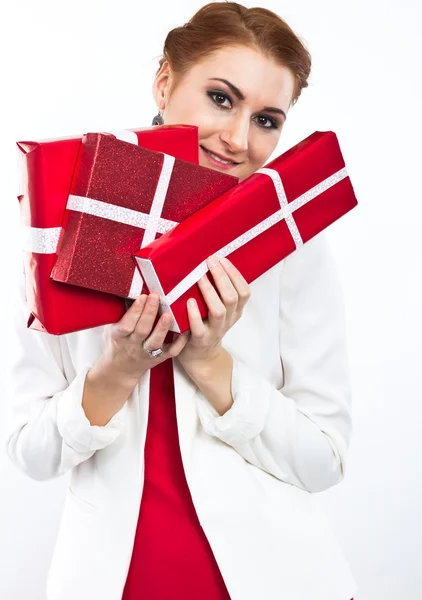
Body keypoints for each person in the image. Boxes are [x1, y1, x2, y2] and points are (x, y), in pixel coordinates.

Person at [5, 2, 357, 599]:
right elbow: (30, 453)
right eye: (222, 98)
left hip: (279, 580)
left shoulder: (290, 247)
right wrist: (117, 373)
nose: (239, 139)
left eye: (267, 119)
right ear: (164, 82)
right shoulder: (58, 233)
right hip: (116, 579)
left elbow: (324, 461)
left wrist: (210, 363)